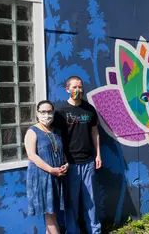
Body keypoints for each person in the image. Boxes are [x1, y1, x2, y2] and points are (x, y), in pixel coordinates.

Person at [54, 76, 102, 233]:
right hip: (71, 164)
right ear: (67, 89)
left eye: (80, 87)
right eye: (74, 87)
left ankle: (95, 231)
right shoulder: (61, 112)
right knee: (72, 202)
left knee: (91, 201)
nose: (78, 90)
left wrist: (98, 155)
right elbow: (57, 138)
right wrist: (64, 160)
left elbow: (95, 132)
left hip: (88, 162)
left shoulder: (89, 109)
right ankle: (73, 231)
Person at [25, 100, 68, 234]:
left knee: (52, 211)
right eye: (43, 112)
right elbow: (32, 155)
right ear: (37, 113)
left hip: (57, 177)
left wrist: (66, 165)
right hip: (42, 178)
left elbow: (62, 152)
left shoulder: (57, 132)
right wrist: (51, 170)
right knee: (50, 215)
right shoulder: (32, 131)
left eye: (49, 112)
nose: (46, 115)